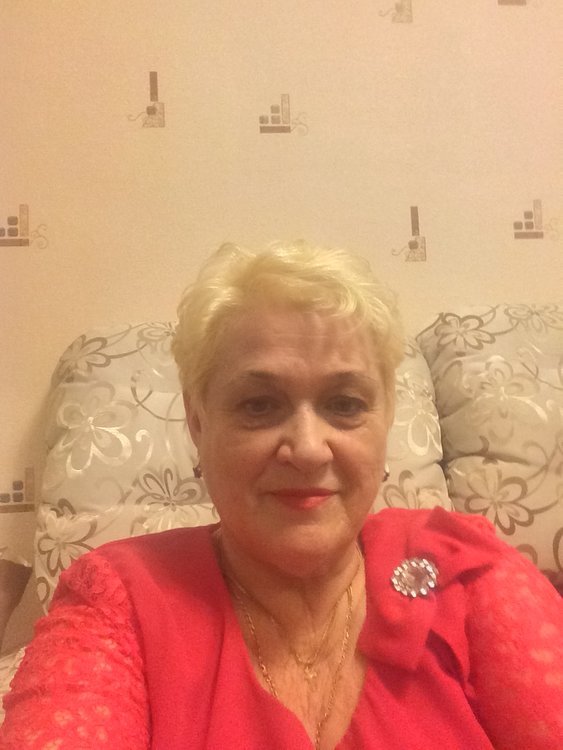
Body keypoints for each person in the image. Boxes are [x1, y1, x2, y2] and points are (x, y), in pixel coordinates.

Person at [1, 241, 562, 749]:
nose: (310, 449)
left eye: (345, 404)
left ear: (386, 418)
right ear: (198, 422)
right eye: (259, 405)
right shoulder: (120, 599)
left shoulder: (466, 570)